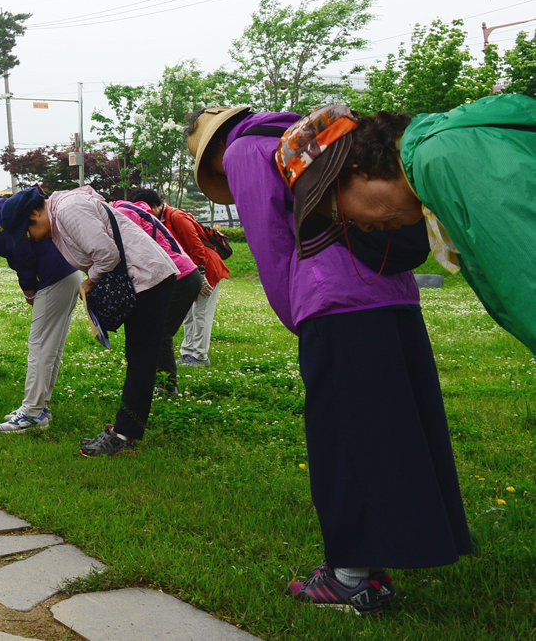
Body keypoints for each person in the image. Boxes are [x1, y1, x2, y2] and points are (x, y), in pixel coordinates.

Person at [188, 104, 468, 614]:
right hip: (394, 292)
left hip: (334, 301)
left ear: (214, 154)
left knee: (343, 438)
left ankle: (348, 577)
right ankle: (378, 562)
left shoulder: (246, 152)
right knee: (398, 428)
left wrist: (297, 311)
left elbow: (271, 245)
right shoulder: (305, 134)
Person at [292, 96, 536, 358]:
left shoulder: (443, 159)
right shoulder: (437, 162)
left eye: (339, 214)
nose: (361, 228)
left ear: (358, 171)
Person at [17, 185, 178, 457]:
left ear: (35, 212)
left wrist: (90, 282)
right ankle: (125, 431)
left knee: (141, 360)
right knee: (138, 358)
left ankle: (124, 437)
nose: (30, 237)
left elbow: (107, 254)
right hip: (143, 279)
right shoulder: (61, 212)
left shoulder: (68, 209)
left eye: (27, 231)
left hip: (149, 279)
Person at [0, 187, 81, 432]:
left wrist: (28, 288)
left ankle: (33, 411)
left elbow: (23, 254)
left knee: (40, 346)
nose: (30, 236)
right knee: (50, 346)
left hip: (55, 278)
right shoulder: (5, 209)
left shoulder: (0, 212)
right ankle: (40, 408)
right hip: (66, 275)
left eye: (27, 230)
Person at [109, 197, 204, 396]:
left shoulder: (122, 214)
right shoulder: (132, 211)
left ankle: (167, 386)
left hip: (180, 276)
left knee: (160, 332)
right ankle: (154, 381)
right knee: (153, 331)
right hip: (180, 274)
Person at [129, 187, 230, 366]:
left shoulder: (176, 217)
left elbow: (196, 247)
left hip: (207, 268)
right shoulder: (159, 220)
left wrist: (202, 276)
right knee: (189, 313)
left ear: (154, 206)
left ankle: (199, 355)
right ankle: (187, 352)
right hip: (190, 272)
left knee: (201, 313)